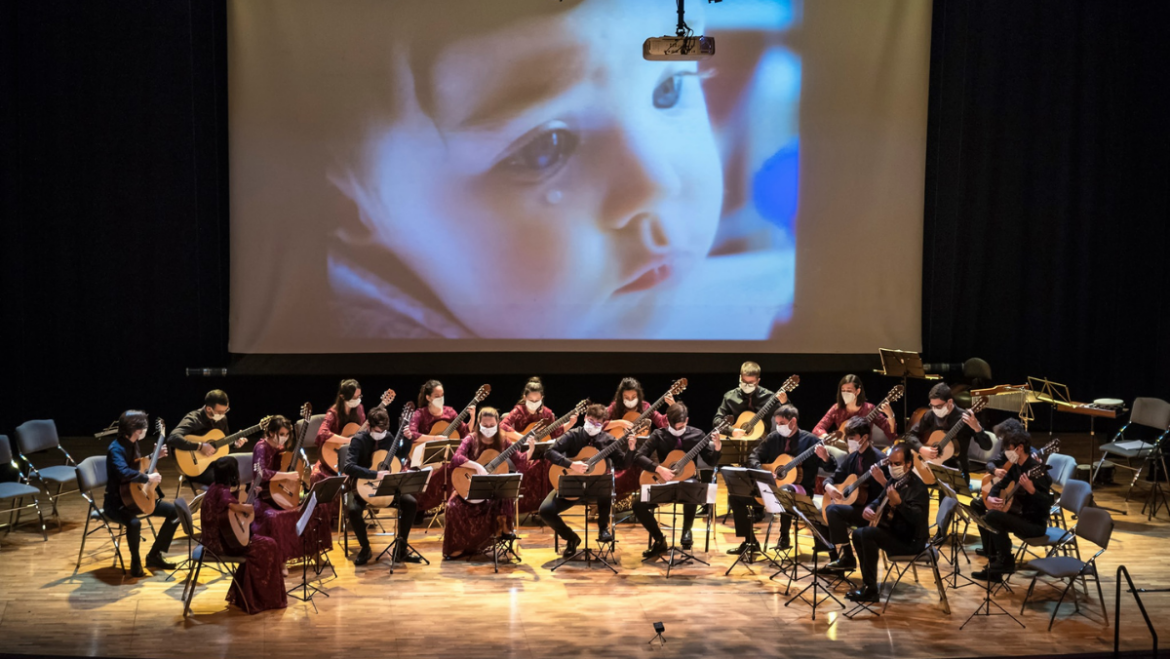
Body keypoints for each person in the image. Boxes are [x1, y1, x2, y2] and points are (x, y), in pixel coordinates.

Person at [727, 404, 836, 555]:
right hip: (772, 488)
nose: (778, 427)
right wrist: (762, 471)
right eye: (777, 423)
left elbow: (831, 468)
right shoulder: (773, 438)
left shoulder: (810, 441)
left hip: (800, 493)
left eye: (782, 424)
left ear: (793, 422)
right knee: (736, 497)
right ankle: (750, 541)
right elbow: (754, 456)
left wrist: (825, 457)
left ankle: (784, 536)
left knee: (786, 490)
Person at [539, 404, 630, 558]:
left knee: (606, 486)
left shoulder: (608, 440)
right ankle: (571, 538)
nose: (593, 426)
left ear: (603, 424)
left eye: (598, 424)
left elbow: (623, 464)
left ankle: (603, 528)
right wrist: (571, 464)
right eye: (591, 421)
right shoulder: (573, 435)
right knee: (545, 511)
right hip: (571, 485)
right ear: (585, 418)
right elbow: (549, 452)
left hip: (597, 488)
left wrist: (632, 449)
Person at [199, 457, 287, 613]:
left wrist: (252, 494)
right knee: (270, 545)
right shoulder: (223, 493)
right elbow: (239, 507)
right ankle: (258, 598)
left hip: (214, 539)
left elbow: (232, 508)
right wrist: (250, 507)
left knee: (263, 543)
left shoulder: (215, 487)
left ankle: (247, 594)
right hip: (222, 545)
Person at [633, 402, 721, 557]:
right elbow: (638, 456)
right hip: (663, 482)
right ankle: (659, 540)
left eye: (681, 427)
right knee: (637, 504)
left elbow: (711, 461)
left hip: (688, 481)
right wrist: (659, 469)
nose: (677, 430)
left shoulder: (698, 435)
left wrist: (718, 447)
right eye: (674, 427)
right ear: (668, 422)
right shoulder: (659, 435)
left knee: (693, 488)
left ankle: (687, 531)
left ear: (687, 420)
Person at [845, 443, 930, 603]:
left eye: (897, 464)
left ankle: (871, 590)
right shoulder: (895, 479)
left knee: (869, 534)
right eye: (890, 463)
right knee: (857, 533)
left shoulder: (918, 487)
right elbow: (879, 498)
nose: (892, 467)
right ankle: (867, 584)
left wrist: (899, 503)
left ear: (908, 464)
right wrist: (870, 507)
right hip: (896, 531)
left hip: (911, 540)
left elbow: (916, 520)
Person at [971, 427, 1055, 581]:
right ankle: (994, 560)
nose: (1007, 453)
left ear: (1020, 448)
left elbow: (1048, 503)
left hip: (1033, 524)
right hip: (1018, 514)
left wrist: (1031, 490)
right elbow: (1000, 485)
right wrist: (991, 498)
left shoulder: (1037, 471)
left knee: (992, 517)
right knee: (980, 505)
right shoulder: (1016, 465)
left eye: (1009, 449)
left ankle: (1005, 561)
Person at [444, 407, 529, 559]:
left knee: (506, 491)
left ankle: (503, 530)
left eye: (491, 426)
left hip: (491, 491)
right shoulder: (470, 439)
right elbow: (455, 458)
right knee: (452, 506)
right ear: (479, 424)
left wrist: (532, 447)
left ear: (497, 424)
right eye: (485, 425)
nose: (488, 429)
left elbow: (520, 460)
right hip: (469, 486)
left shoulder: (503, 441)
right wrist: (476, 466)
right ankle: (459, 547)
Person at [104, 410, 180, 577]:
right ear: (138, 430)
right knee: (134, 524)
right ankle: (136, 562)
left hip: (136, 497)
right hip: (116, 503)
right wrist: (147, 477)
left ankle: (154, 556)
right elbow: (124, 472)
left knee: (175, 512)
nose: (146, 430)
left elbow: (135, 465)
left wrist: (154, 456)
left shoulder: (133, 443)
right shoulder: (115, 449)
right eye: (144, 427)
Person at [341, 406, 419, 566]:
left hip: (385, 488)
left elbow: (399, 458)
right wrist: (374, 474)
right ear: (368, 426)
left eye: (383, 430)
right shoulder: (359, 440)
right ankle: (365, 548)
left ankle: (401, 549)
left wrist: (408, 440)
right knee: (353, 509)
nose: (380, 434)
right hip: (360, 486)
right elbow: (348, 467)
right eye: (377, 430)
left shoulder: (389, 437)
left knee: (411, 503)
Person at [251, 416, 333, 568]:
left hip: (281, 494)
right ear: (270, 432)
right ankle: (281, 561)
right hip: (263, 497)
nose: (284, 438)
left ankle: (314, 552)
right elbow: (260, 474)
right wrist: (287, 475)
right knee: (275, 518)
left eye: (287, 434)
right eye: (281, 434)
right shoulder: (261, 447)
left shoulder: (280, 449)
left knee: (312, 511)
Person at [499, 377, 576, 513]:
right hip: (523, 452)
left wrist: (570, 424)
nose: (534, 403)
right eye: (531, 400)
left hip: (542, 454)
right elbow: (502, 426)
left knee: (551, 464)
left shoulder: (547, 414)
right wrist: (522, 437)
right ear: (525, 397)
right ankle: (526, 507)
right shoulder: (519, 411)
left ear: (542, 398)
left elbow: (556, 433)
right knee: (530, 466)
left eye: (537, 400)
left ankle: (545, 508)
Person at [821, 416, 887, 572]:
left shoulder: (879, 459)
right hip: (854, 506)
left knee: (832, 511)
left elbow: (889, 489)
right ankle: (839, 560)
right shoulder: (852, 457)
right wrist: (828, 486)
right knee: (822, 515)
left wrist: (881, 483)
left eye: (852, 438)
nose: (849, 442)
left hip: (870, 511)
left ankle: (848, 558)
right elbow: (834, 477)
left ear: (864, 438)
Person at [405, 380, 471, 513]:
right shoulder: (420, 413)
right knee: (418, 473)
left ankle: (445, 505)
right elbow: (412, 434)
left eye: (442, 395)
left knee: (447, 470)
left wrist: (473, 416)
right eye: (437, 396)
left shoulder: (450, 412)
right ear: (428, 397)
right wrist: (435, 438)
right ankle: (419, 509)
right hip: (424, 457)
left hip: (445, 459)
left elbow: (466, 433)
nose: (440, 399)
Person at [903, 382, 989, 479]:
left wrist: (977, 428)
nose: (935, 409)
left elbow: (987, 446)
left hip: (958, 472)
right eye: (932, 406)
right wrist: (922, 449)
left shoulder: (965, 419)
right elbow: (909, 435)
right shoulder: (931, 414)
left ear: (950, 402)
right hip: (931, 466)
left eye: (938, 406)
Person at [312, 378, 366, 530]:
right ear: (343, 397)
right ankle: (324, 518)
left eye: (359, 396)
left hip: (353, 456)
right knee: (318, 476)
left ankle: (355, 515)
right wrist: (345, 440)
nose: (358, 400)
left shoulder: (360, 410)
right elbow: (322, 433)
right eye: (355, 398)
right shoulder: (333, 413)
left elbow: (363, 431)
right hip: (332, 457)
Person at [606, 377, 672, 498]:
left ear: (638, 395)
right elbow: (598, 424)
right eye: (626, 397)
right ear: (621, 397)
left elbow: (662, 423)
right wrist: (620, 423)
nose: (630, 400)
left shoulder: (646, 407)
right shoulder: (615, 407)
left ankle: (645, 502)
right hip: (619, 453)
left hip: (640, 453)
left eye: (633, 397)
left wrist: (672, 406)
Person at [166, 390, 247, 487]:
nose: (223, 414)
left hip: (214, 464)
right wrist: (200, 446)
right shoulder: (194, 419)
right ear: (209, 408)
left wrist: (234, 444)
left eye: (226, 410)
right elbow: (172, 438)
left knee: (242, 475)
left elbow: (221, 448)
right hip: (196, 468)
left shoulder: (222, 419)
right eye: (220, 412)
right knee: (224, 480)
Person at [811, 375, 896, 442]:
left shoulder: (869, 409)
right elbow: (817, 429)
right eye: (843, 390)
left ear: (858, 391)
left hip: (864, 449)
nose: (845, 393)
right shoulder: (837, 408)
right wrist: (831, 439)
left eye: (849, 391)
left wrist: (890, 415)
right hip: (842, 450)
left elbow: (891, 433)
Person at [713, 361, 787, 438]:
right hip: (736, 441)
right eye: (744, 382)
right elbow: (717, 420)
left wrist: (784, 402)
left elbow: (787, 416)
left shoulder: (769, 396)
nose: (747, 386)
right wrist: (732, 431)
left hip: (763, 442)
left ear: (758, 381)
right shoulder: (729, 397)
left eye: (751, 383)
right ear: (740, 378)